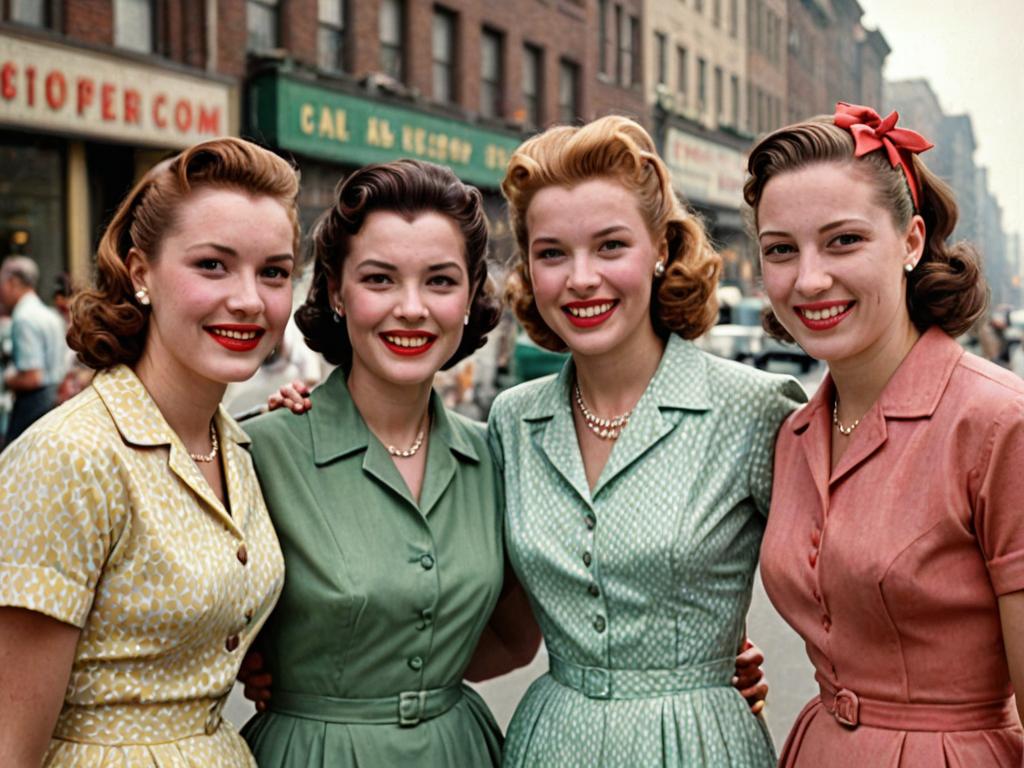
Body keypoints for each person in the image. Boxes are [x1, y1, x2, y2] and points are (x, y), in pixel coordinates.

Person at [487, 115, 805, 766]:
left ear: (660, 249)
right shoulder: (512, 422)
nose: (580, 279)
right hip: (552, 744)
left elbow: (852, 589)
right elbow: (488, 621)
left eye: (610, 246)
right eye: (552, 253)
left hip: (700, 744)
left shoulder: (751, 409)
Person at [0, 137, 299, 766]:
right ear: (141, 274)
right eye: (213, 265)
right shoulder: (71, 458)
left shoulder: (239, 448)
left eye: (273, 271)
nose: (248, 298)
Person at [238, 159, 541, 767]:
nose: (411, 308)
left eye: (439, 281)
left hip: (460, 751)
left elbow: (513, 638)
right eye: (379, 280)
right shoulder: (259, 452)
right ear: (333, 291)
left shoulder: (496, 456)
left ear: (469, 297)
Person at [747, 103, 1024, 766]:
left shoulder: (998, 423)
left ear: (911, 241)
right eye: (781, 249)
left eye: (843, 240)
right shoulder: (793, 433)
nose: (809, 279)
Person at [0, 255, 70, 446]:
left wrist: (7, 378)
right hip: (53, 404)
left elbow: (32, 377)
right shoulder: (49, 315)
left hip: (33, 407)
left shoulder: (24, 317)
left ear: (12, 282)